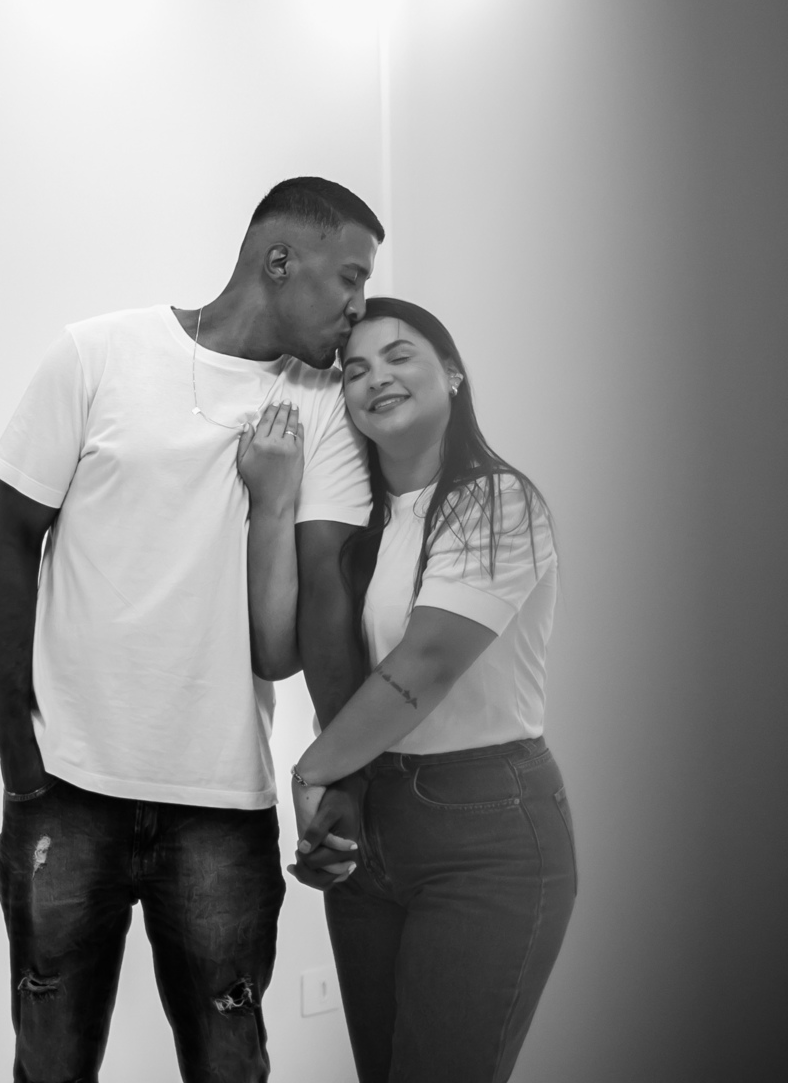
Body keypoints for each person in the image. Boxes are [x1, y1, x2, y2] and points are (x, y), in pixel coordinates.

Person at [0, 177, 383, 1083]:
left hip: (222, 804)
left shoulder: (326, 408)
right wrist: (14, 742)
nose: (359, 307)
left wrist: (339, 772)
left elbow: (287, 642)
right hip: (67, 787)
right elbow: (11, 544)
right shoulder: (97, 354)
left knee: (229, 1066)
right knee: (50, 1063)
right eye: (350, 277)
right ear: (279, 260)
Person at [280, 298, 575, 1083]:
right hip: (371, 818)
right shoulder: (362, 526)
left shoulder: (498, 501)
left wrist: (312, 772)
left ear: (452, 374)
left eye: (399, 355)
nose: (375, 377)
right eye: (355, 370)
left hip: (485, 830)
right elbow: (306, 653)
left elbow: (427, 665)